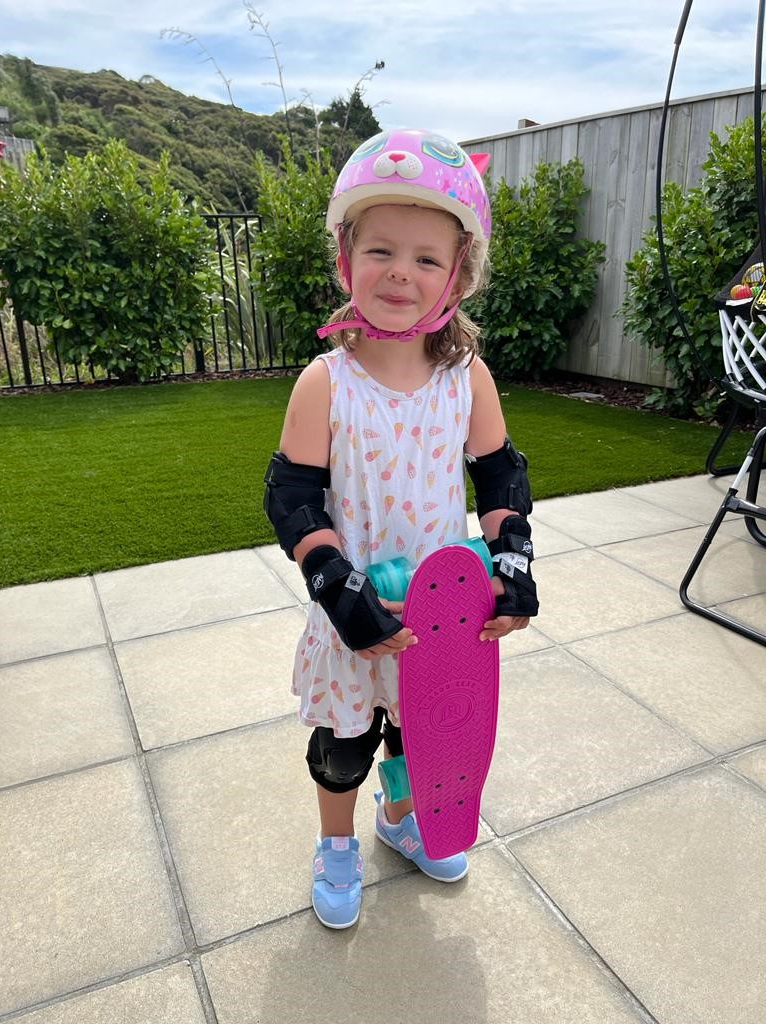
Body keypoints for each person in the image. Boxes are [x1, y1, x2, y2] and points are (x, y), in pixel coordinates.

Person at [264, 128, 539, 929]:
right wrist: (334, 584)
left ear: (458, 274)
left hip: (441, 612)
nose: (401, 273)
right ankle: (338, 845)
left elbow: (499, 478)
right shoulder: (326, 383)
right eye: (381, 250)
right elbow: (294, 497)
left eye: (426, 258)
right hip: (353, 609)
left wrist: (513, 561)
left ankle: (401, 822)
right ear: (348, 257)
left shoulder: (467, 378)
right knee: (345, 746)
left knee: (424, 737)